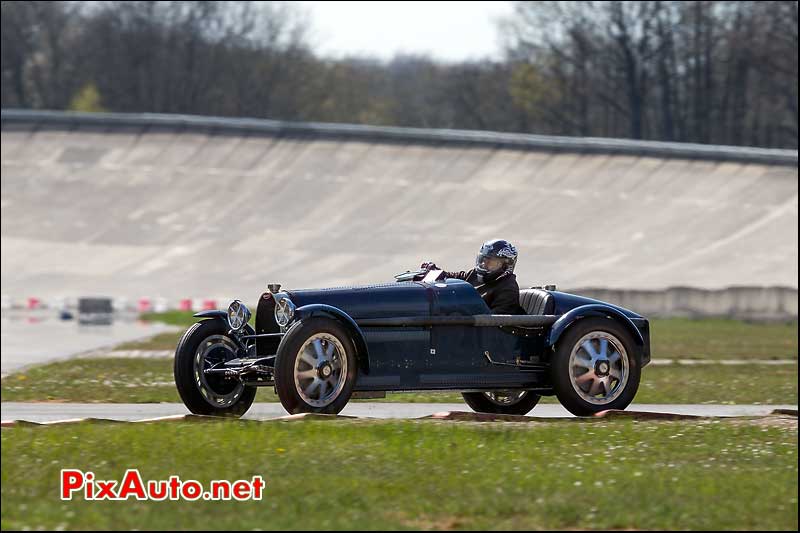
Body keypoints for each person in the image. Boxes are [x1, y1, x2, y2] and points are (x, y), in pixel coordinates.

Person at [421, 239, 522, 314]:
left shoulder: (508, 288)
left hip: (486, 337)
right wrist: (435, 271)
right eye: (483, 260)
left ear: (505, 265)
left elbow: (496, 322)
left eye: (490, 262)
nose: (484, 265)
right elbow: (455, 278)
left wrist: (463, 312)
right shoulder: (473, 275)